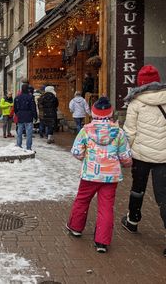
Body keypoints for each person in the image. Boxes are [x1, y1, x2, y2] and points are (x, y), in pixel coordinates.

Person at [66, 97, 132, 253]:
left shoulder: (85, 130)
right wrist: (126, 164)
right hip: (110, 177)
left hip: (90, 175)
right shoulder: (119, 132)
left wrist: (86, 158)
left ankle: (75, 227)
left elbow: (76, 151)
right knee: (106, 206)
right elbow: (126, 157)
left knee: (82, 200)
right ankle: (102, 241)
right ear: (110, 114)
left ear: (93, 113)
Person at [119, 65, 166, 257]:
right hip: (164, 156)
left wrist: (123, 154)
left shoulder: (135, 102)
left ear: (140, 83)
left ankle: (133, 220)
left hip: (140, 156)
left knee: (137, 189)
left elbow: (130, 132)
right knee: (163, 196)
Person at [14, 83, 37, 151]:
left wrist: (17, 113)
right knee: (29, 133)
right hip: (28, 116)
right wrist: (35, 116)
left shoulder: (17, 97)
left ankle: (19, 145)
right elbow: (33, 107)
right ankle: (28, 147)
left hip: (20, 115)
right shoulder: (30, 97)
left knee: (19, 132)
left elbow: (15, 108)